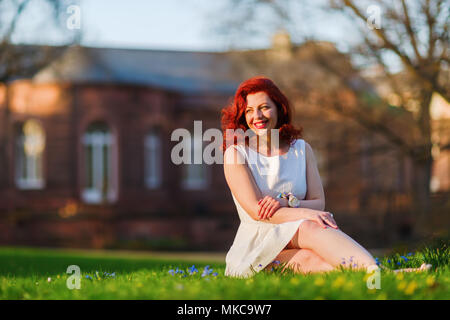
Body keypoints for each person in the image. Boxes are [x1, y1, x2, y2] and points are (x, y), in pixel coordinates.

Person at [221, 76, 431, 278]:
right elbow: (258, 213)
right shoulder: (236, 153)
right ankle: (377, 272)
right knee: (309, 226)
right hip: (259, 245)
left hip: (297, 238)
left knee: (312, 258)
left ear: (278, 108)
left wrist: (285, 201)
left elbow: (318, 202)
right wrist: (304, 213)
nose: (256, 116)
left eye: (264, 107)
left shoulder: (301, 150)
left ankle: (377, 275)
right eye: (249, 110)